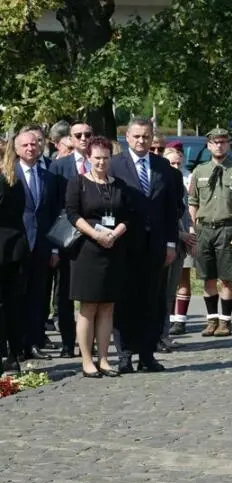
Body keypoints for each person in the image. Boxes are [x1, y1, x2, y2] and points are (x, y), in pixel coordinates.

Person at [109, 118, 180, 373]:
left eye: (146, 137)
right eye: (137, 136)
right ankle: (125, 353)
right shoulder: (115, 165)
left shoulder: (163, 167)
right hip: (125, 244)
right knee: (126, 299)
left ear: (152, 138)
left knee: (153, 300)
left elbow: (172, 209)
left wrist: (171, 243)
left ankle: (147, 354)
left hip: (156, 244)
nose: (141, 141)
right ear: (127, 137)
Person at [65, 136, 132, 377]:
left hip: (113, 249)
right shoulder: (77, 182)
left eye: (105, 158)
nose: (101, 162)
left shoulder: (119, 185)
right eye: (97, 158)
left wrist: (115, 233)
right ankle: (86, 361)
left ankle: (104, 359)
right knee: (88, 307)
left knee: (107, 308)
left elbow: (127, 215)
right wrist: (96, 234)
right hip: (87, 251)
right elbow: (72, 213)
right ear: (88, 158)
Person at [187, 128, 232, 337]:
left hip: (227, 228)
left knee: (227, 277)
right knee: (207, 278)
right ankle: (211, 319)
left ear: (228, 144)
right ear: (209, 145)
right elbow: (193, 202)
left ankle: (225, 321)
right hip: (204, 229)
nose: (219, 146)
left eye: (223, 142)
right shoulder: (199, 171)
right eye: (215, 142)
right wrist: (192, 228)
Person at [50, 121, 95, 358]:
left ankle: (91, 341)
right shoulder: (59, 167)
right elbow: (54, 206)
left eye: (88, 134)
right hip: (67, 239)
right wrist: (55, 247)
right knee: (65, 293)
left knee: (94, 293)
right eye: (78, 135)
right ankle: (69, 342)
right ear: (70, 138)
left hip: (95, 239)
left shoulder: (100, 163)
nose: (84, 138)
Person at [14, 131, 60, 361]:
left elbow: (52, 214)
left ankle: (33, 342)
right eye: (25, 145)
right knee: (16, 296)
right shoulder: (9, 175)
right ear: (17, 149)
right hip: (16, 246)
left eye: (34, 144)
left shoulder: (48, 176)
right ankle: (16, 345)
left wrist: (54, 248)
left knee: (37, 298)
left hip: (42, 246)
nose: (30, 148)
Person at [0, 139, 32, 373]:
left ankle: (6, 354)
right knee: (13, 305)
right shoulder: (15, 179)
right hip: (16, 248)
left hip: (5, 250)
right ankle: (13, 354)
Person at [162, 146, 197, 345]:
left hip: (181, 244)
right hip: (167, 242)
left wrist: (191, 233)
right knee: (162, 292)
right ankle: (158, 335)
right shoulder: (160, 183)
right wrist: (181, 234)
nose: (175, 167)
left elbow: (186, 214)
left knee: (170, 292)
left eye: (178, 163)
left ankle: (164, 335)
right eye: (171, 163)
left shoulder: (180, 184)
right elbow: (161, 218)